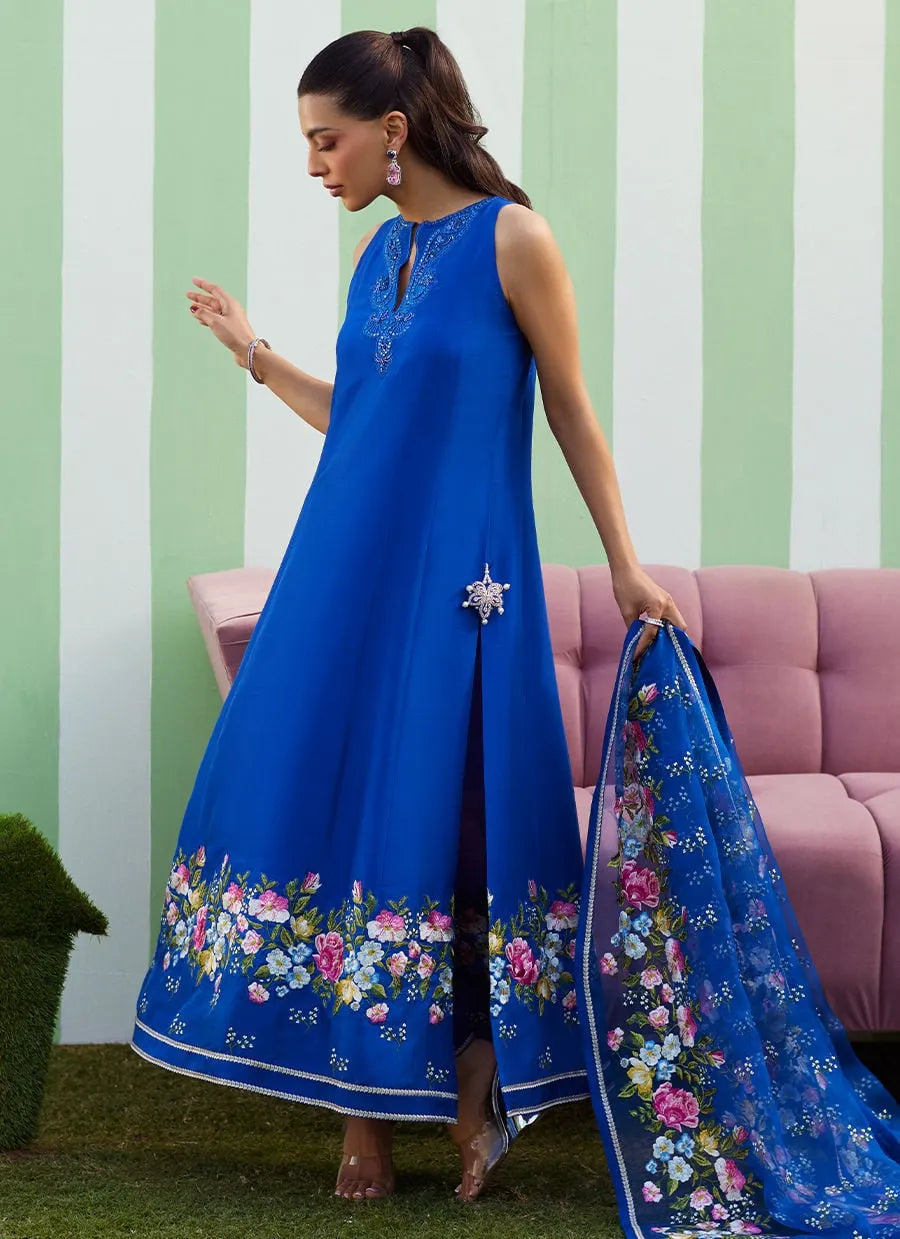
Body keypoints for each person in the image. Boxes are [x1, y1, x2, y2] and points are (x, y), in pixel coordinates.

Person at [130, 26, 686, 1204]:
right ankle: (365, 1121)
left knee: (439, 820)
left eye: (325, 141)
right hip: (342, 573)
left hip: (460, 590)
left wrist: (627, 564)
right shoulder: (375, 255)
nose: (314, 165)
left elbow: (573, 416)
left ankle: (474, 1077)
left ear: (391, 131)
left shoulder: (514, 240)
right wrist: (255, 353)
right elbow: (365, 421)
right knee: (320, 808)